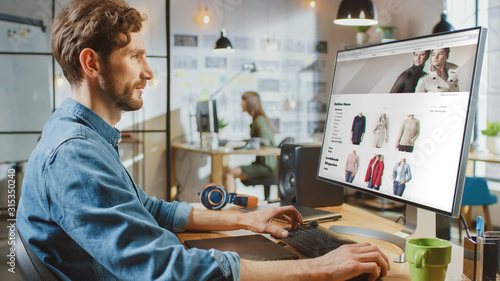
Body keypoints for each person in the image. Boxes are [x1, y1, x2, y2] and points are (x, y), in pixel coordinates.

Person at [16, 1, 390, 280]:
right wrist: (318, 267)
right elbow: (165, 268)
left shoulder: (81, 136)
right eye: (135, 56)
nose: (148, 72)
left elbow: (148, 210)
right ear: (92, 63)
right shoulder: (75, 154)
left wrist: (247, 219)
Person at [224, 92, 277, 193]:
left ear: (250, 103)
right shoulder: (257, 120)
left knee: (230, 173)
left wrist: (250, 145)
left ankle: (229, 204)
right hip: (262, 164)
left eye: (243, 101)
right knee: (229, 171)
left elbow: (266, 142)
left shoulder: (260, 121)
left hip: (267, 166)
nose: (241, 104)